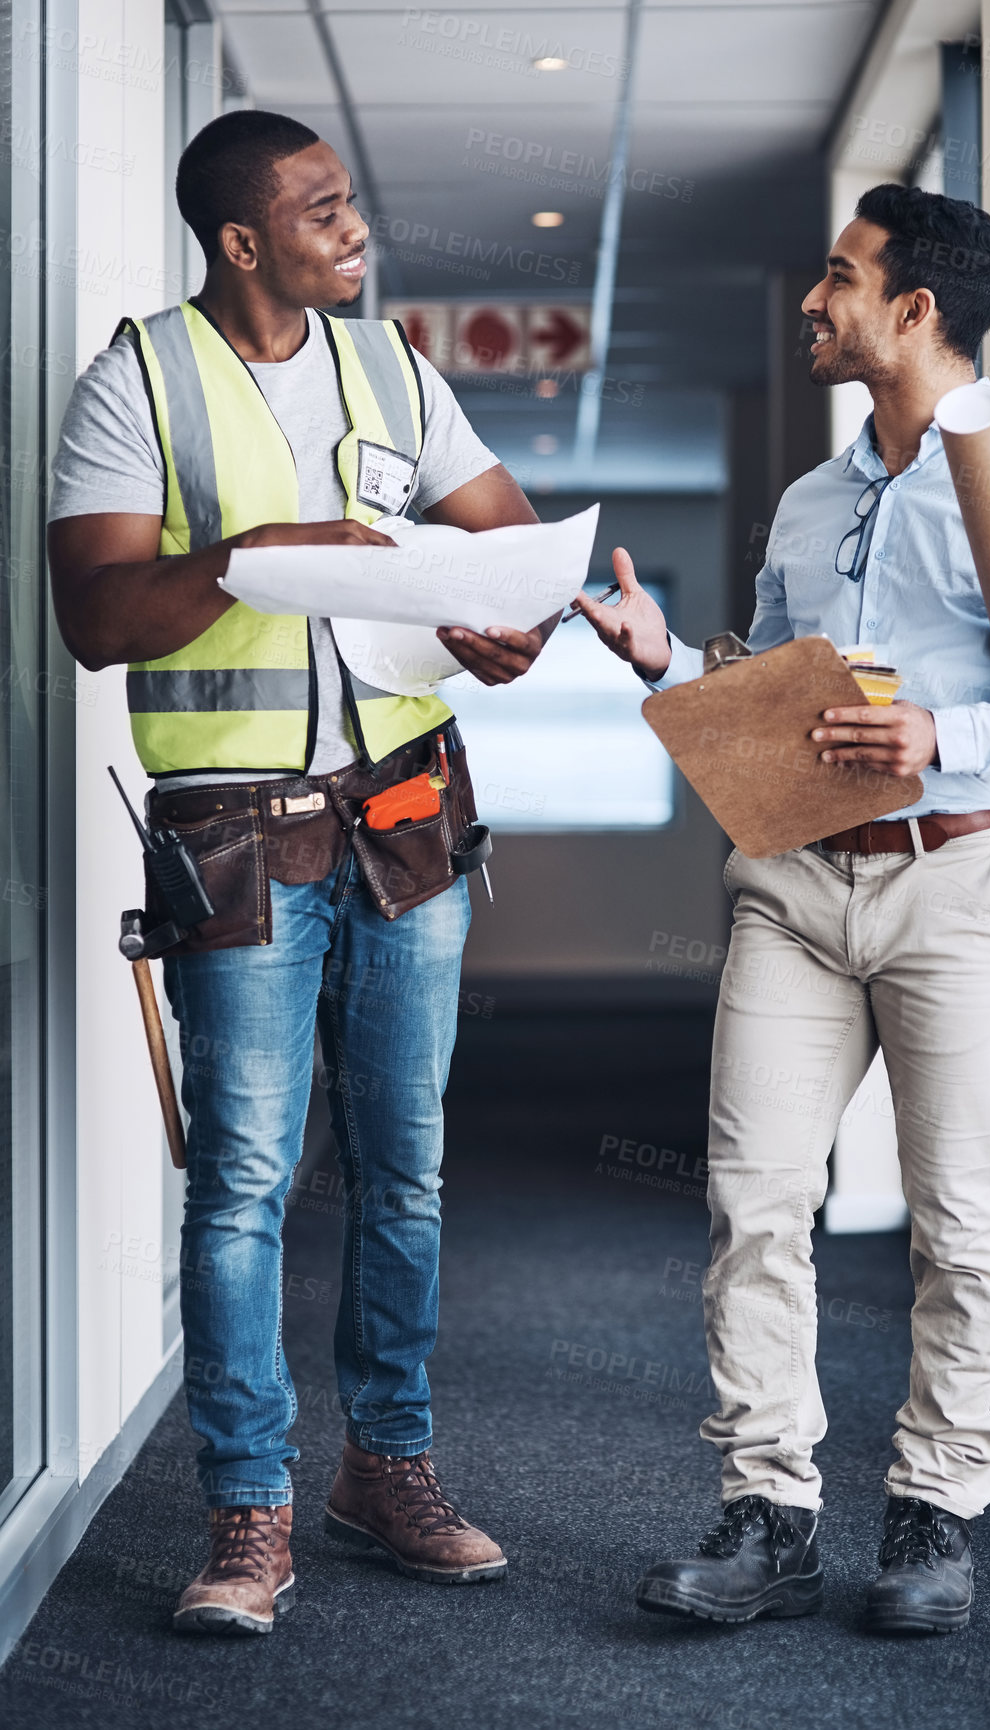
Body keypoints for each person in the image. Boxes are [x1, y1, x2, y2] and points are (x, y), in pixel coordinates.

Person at [48, 110, 553, 1636]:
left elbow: (505, 532)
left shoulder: (395, 366)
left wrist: (501, 618)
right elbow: (96, 614)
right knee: (244, 1183)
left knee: (404, 1171)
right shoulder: (138, 378)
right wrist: (245, 556)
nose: (356, 227)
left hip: (405, 819)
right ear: (243, 240)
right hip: (241, 838)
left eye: (350, 204)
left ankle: (384, 1467)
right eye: (323, 210)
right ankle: (246, 1507)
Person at [576, 184, 990, 1635]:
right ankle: (768, 1513)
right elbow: (770, 698)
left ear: (913, 310)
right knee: (752, 1201)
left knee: (965, 1221)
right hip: (795, 888)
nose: (813, 302)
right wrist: (666, 658)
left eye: (836, 277)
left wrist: (949, 735)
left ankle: (933, 1515)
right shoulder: (813, 499)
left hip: (957, 877)